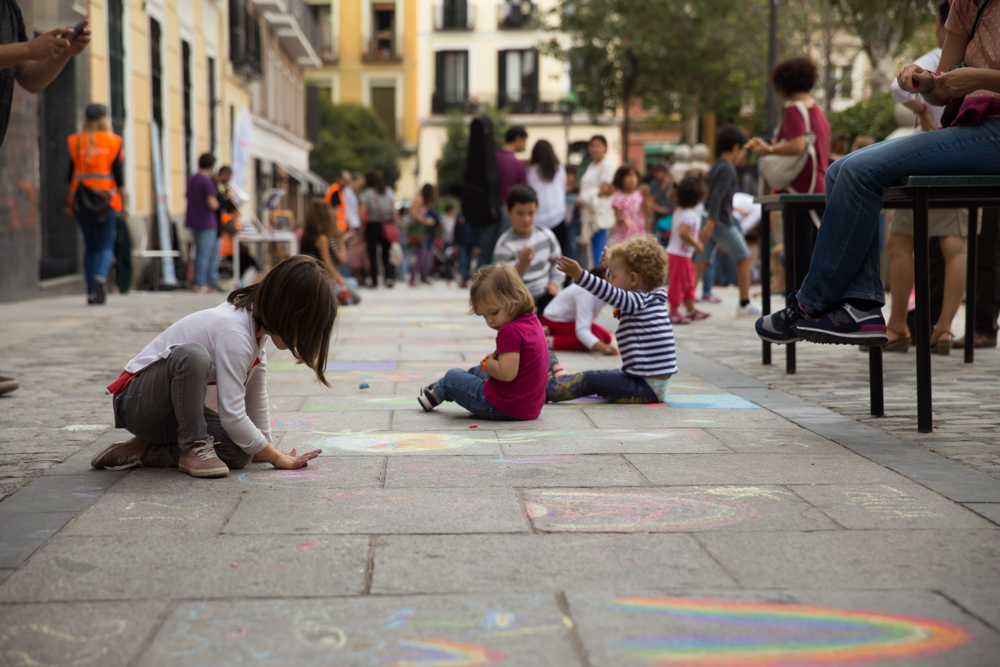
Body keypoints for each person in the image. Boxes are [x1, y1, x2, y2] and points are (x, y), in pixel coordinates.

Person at [756, 0, 1000, 347]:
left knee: (856, 170)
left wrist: (980, 78)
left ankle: (809, 304)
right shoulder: (963, 6)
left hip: (993, 131)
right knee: (842, 170)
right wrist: (924, 80)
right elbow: (943, 91)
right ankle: (861, 305)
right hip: (970, 127)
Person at [90, 256, 335, 477]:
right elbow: (233, 415)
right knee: (193, 355)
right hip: (136, 404)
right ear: (288, 312)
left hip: (175, 415)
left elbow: (256, 397)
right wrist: (277, 458)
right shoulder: (234, 332)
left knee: (240, 453)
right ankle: (193, 446)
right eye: (305, 329)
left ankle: (144, 450)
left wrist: (265, 450)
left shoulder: (256, 337)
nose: (302, 339)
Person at [880, 1, 967, 354]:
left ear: (939, 23)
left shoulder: (936, 56)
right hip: (964, 157)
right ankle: (944, 329)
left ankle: (897, 325)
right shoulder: (980, 54)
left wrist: (920, 109)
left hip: (925, 158)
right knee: (955, 245)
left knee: (900, 240)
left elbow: (897, 88)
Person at [547, 237, 675, 405]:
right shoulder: (650, 299)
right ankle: (563, 380)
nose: (609, 279)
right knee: (602, 376)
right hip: (650, 383)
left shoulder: (636, 301)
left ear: (634, 279)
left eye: (612, 275)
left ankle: (547, 390)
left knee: (590, 380)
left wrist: (580, 275)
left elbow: (610, 292)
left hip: (645, 386)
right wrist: (609, 265)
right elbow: (618, 284)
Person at [417, 263, 547, 421]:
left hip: (502, 406)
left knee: (452, 376)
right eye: (485, 316)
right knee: (478, 370)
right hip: (529, 406)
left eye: (494, 312)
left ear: (514, 299)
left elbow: (506, 374)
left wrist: (491, 364)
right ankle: (439, 388)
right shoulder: (532, 321)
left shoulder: (510, 331)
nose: (490, 321)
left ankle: (440, 389)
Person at [694, 125, 760, 317]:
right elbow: (717, 197)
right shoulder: (728, 169)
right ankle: (744, 303)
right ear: (735, 148)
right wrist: (712, 222)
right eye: (743, 150)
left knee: (701, 261)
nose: (743, 155)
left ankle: (685, 299)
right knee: (745, 257)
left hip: (709, 218)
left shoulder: (715, 166)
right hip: (720, 221)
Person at [67, 103, 127, 305]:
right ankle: (101, 276)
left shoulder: (75, 141)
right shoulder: (113, 141)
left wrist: (69, 202)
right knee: (105, 245)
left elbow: (69, 175)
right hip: (106, 200)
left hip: (81, 201)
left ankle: (92, 292)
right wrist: (124, 204)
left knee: (90, 247)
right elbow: (119, 178)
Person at [493, 184, 563, 312]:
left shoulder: (546, 235)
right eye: (520, 213)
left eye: (531, 213)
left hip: (545, 296)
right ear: (508, 212)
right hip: (519, 304)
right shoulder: (504, 246)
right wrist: (521, 267)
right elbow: (505, 286)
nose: (526, 219)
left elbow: (559, 264)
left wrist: (554, 284)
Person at [476, 125, 528, 266]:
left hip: (489, 209)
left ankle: (479, 284)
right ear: (518, 139)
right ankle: (499, 285)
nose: (525, 145)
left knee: (485, 252)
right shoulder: (519, 165)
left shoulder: (492, 159)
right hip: (508, 210)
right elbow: (522, 192)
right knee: (503, 252)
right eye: (524, 141)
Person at [540, 266, 617, 354]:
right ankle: (548, 341)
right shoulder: (586, 292)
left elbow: (616, 308)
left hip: (570, 320)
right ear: (606, 279)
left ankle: (551, 334)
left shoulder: (603, 291)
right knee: (592, 338)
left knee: (606, 338)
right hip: (554, 320)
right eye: (613, 278)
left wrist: (619, 312)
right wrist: (604, 349)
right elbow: (582, 331)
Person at [667, 176, 711, 324]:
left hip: (682, 254)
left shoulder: (681, 211)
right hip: (678, 254)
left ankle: (690, 308)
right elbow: (683, 233)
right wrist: (696, 244)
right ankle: (673, 311)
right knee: (678, 283)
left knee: (688, 281)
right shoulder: (688, 215)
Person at [300, 198, 360, 306]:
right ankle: (331, 297)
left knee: (351, 284)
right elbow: (327, 264)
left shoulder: (306, 237)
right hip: (319, 281)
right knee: (353, 287)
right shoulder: (322, 239)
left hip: (307, 279)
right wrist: (338, 278)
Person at [579, 135, 617, 266]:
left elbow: (604, 188)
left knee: (600, 249)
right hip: (590, 212)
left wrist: (583, 196)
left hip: (599, 213)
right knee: (592, 248)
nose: (594, 149)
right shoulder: (592, 165)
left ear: (605, 148)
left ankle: (601, 278)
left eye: (598, 146)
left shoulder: (606, 165)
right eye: (592, 146)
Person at [185, 154, 220, 293]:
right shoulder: (207, 181)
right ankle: (201, 282)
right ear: (211, 166)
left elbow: (186, 195)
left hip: (193, 219)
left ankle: (200, 281)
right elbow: (212, 203)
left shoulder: (191, 179)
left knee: (199, 251)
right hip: (206, 221)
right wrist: (220, 203)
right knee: (206, 253)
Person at [527, 139, 569, 253]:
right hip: (558, 217)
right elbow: (563, 189)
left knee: (540, 254)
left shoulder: (530, 171)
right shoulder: (560, 169)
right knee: (560, 255)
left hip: (537, 220)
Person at [358, 171, 398, 288]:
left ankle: (374, 280)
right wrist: (394, 225)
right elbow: (394, 210)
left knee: (372, 254)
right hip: (387, 224)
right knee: (386, 253)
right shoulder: (389, 191)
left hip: (372, 225)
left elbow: (362, 212)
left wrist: (362, 225)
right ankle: (389, 278)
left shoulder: (366, 193)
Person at [408, 183, 437, 286]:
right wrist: (425, 221)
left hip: (420, 228)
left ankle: (424, 277)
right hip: (416, 229)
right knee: (422, 255)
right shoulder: (420, 199)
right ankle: (412, 278)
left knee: (422, 254)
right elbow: (413, 214)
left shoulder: (422, 200)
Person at [610, 165, 647, 245]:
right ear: (621, 179)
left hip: (639, 234)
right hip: (624, 237)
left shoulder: (640, 194)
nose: (632, 179)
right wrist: (624, 220)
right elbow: (618, 218)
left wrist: (645, 196)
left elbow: (647, 212)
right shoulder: (618, 197)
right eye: (628, 176)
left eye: (635, 176)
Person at [647, 161, 676, 240]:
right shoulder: (654, 184)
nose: (658, 175)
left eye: (660, 172)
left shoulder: (672, 184)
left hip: (671, 218)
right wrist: (659, 209)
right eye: (656, 172)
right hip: (658, 219)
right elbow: (650, 201)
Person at [453, 205, 477, 287]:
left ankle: (466, 278)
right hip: (462, 243)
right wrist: (455, 244)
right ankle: (464, 279)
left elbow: (476, 231)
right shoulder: (460, 218)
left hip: (471, 243)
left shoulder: (473, 218)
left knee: (469, 261)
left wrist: (476, 244)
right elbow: (456, 231)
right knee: (463, 260)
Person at [564, 165, 582, 264]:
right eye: (567, 174)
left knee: (572, 246)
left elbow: (580, 208)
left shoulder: (577, 190)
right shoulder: (559, 189)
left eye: (571, 175)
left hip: (573, 223)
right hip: (561, 222)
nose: (569, 177)